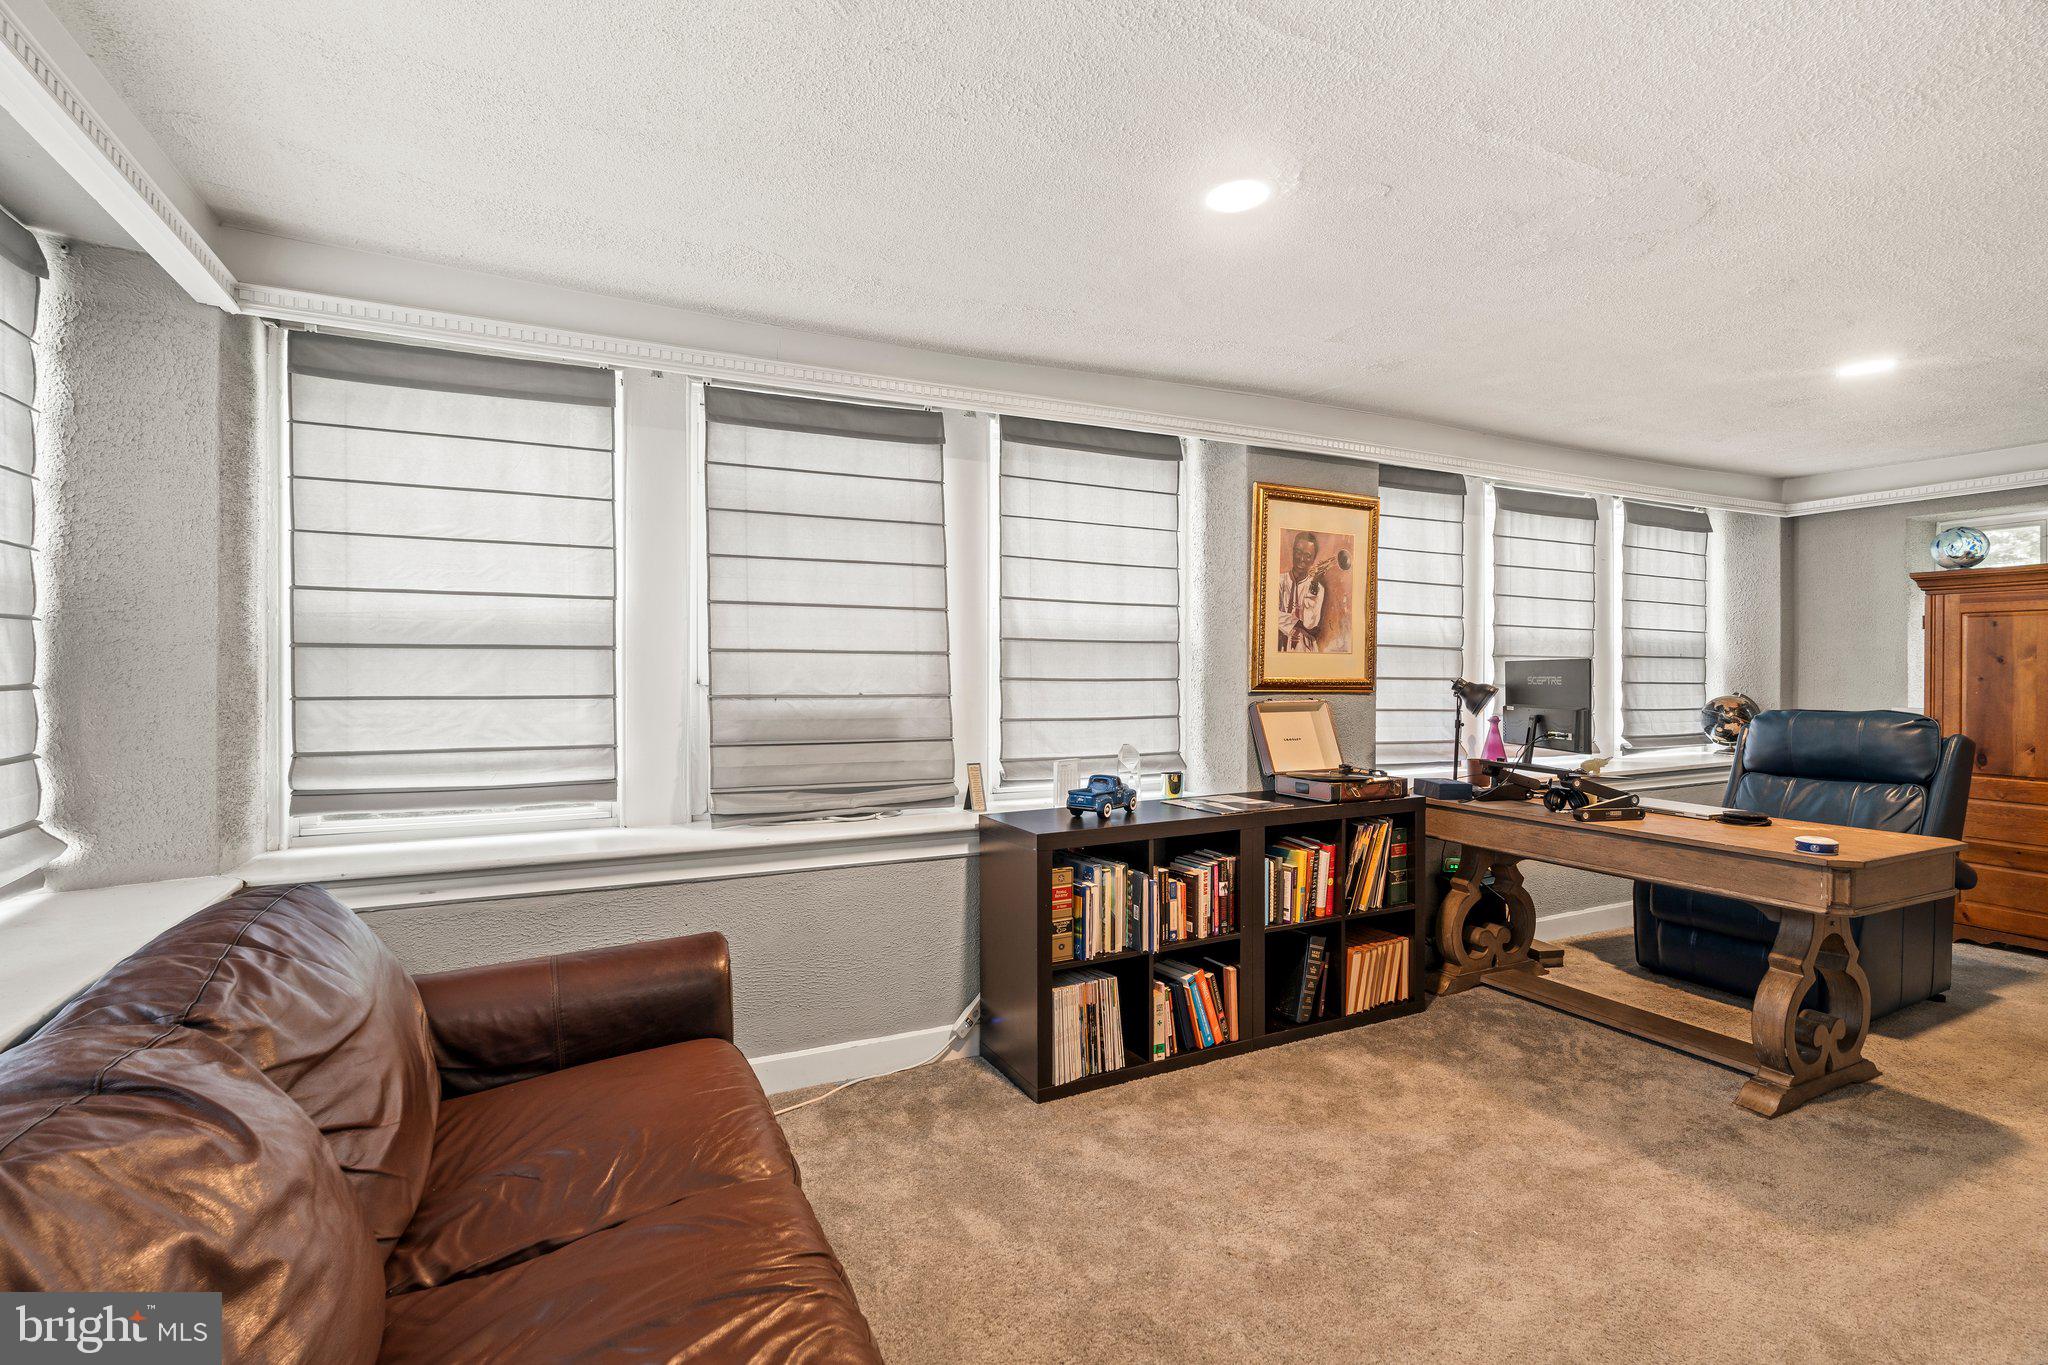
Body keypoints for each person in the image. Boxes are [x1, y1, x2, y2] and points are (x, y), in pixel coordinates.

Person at [1275, 530, 1324, 652]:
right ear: (1292, 552)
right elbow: (1271, 615)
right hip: (1279, 646)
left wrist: (1314, 585)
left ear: (1313, 559)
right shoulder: (1278, 581)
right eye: (1298, 552)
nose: (1301, 559)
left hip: (1305, 649)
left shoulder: (1317, 588)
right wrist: (1298, 623)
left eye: (1308, 556)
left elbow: (1309, 624)